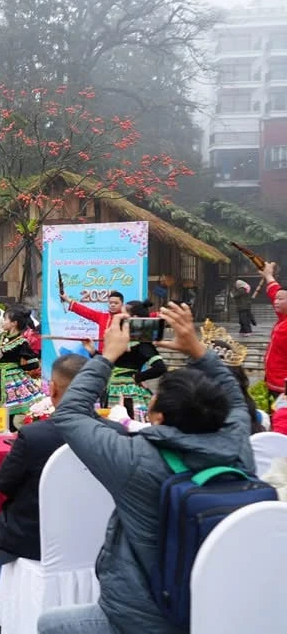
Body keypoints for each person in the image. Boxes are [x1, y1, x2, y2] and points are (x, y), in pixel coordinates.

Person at [37, 302, 254, 634]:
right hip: (221, 609)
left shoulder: (136, 458)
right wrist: (198, 350)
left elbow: (68, 414)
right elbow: (237, 399)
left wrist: (105, 357)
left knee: (49, 625)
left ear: (160, 418)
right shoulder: (239, 442)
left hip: (146, 619)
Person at [0, 353, 91, 588]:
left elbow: (4, 484)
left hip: (35, 536)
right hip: (94, 535)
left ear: (52, 389)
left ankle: (7, 613)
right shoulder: (115, 433)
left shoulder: (35, 436)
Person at [103, 299, 165, 423]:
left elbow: (160, 368)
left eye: (123, 314)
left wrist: (138, 377)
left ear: (134, 319)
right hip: (111, 389)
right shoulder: (120, 341)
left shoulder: (142, 344)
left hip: (127, 393)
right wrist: (92, 350)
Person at [0, 305, 43, 427]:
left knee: (10, 403)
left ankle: (12, 428)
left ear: (14, 323)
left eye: (5, 319)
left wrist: (22, 363)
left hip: (13, 377)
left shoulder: (21, 342)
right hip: (0, 376)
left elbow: (34, 363)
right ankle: (9, 428)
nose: (2, 321)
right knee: (2, 402)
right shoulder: (0, 337)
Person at [60, 290, 124, 352]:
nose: (112, 305)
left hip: (120, 355)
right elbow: (86, 311)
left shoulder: (126, 319)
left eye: (116, 303)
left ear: (122, 304)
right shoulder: (103, 317)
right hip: (103, 355)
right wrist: (68, 300)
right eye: (110, 303)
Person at [259, 261, 287, 403]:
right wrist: (268, 275)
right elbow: (275, 292)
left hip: (283, 386)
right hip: (273, 382)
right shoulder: (283, 317)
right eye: (275, 298)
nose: (275, 301)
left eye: (280, 299)